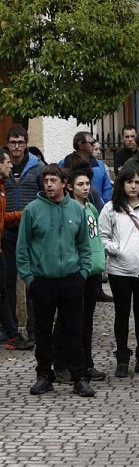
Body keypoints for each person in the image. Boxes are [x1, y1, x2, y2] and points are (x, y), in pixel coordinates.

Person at [17, 164, 93, 397]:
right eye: (46, 181)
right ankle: (44, 375)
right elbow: (22, 248)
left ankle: (79, 376)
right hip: (43, 281)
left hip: (71, 279)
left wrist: (83, 273)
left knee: (74, 329)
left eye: (53, 180)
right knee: (42, 331)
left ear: (64, 184)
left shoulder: (76, 210)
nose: (49, 185)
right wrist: (30, 278)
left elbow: (84, 245)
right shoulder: (32, 210)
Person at [99, 167, 139, 378]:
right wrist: (117, 250)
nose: (134, 186)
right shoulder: (110, 208)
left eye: (137, 182)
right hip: (120, 270)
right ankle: (122, 359)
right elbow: (103, 237)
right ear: (122, 184)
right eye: (129, 182)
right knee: (121, 314)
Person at [55, 164, 107, 383]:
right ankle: (61, 365)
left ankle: (86, 363)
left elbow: (95, 239)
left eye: (87, 184)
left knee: (86, 321)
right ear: (70, 187)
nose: (86, 188)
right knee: (68, 320)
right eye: (80, 184)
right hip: (76, 272)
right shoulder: (67, 210)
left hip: (92, 271)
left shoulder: (90, 207)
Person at [4, 126, 45, 349]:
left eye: (21, 142)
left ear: (26, 144)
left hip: (32, 233)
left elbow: (46, 195)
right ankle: (11, 331)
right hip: (7, 233)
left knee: (33, 282)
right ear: (7, 144)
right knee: (8, 282)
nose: (17, 147)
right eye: (13, 142)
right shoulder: (2, 167)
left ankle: (34, 330)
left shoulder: (38, 168)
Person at [0, 149, 25, 350]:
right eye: (7, 162)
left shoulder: (1, 188)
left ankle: (12, 334)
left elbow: (2, 219)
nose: (10, 165)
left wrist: (19, 214)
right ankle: (12, 335)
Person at [60, 131, 113, 208]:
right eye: (91, 143)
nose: (94, 145)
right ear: (81, 145)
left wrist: (103, 203)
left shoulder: (100, 165)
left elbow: (107, 187)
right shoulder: (64, 163)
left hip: (97, 207)